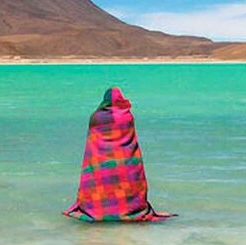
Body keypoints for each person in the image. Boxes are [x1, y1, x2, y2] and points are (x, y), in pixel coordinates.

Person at [63, 87, 176, 222]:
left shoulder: (95, 117)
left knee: (101, 181)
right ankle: (128, 211)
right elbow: (129, 141)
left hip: (100, 163)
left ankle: (97, 211)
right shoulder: (126, 116)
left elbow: (93, 144)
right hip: (124, 164)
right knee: (125, 182)